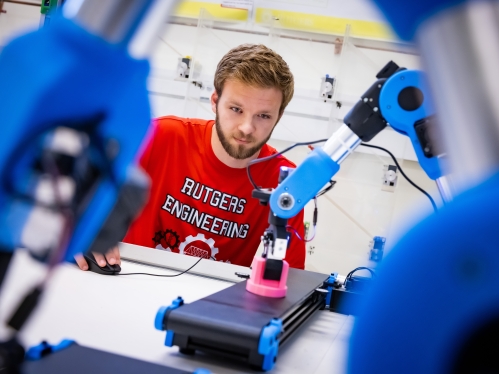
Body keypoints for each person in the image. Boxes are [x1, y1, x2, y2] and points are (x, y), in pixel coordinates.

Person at [76, 44, 305, 270]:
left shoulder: (286, 183)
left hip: (215, 304)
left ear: (279, 116)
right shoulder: (161, 137)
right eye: (236, 109)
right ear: (215, 102)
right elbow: (79, 197)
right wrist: (82, 233)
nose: (247, 128)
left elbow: (289, 279)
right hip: (130, 284)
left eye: (263, 116)